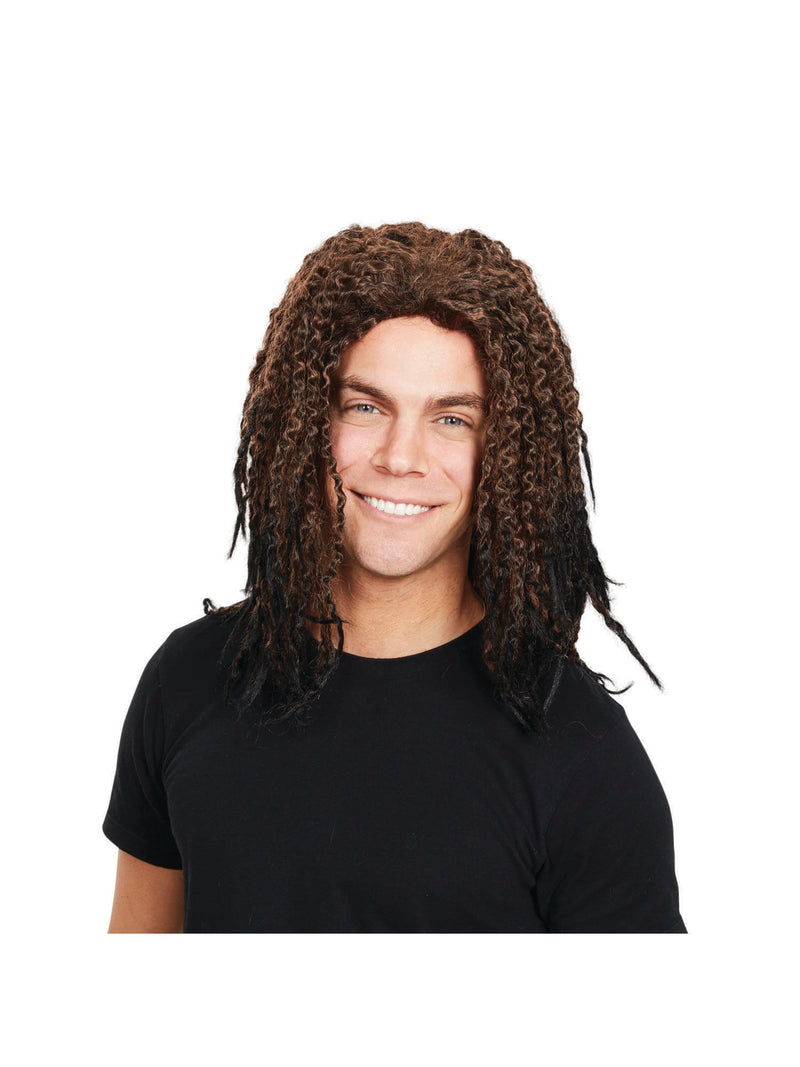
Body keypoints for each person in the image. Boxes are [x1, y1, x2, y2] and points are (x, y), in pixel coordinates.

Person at [104, 221, 686, 933]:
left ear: (507, 451)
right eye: (366, 406)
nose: (401, 457)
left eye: (452, 418)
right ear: (304, 420)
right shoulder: (187, 680)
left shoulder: (583, 752)